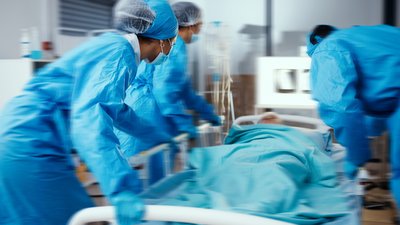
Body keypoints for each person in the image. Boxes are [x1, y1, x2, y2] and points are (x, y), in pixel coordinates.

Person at [0, 0, 178, 224]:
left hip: (24, 129)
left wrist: (153, 134)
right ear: (160, 40)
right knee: (72, 218)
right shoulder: (119, 53)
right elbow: (91, 117)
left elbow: (116, 110)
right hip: (31, 140)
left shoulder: (116, 48)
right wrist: (121, 188)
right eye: (173, 41)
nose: (172, 48)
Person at [116, 1, 220, 184]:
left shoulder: (171, 45)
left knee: (150, 177)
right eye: (201, 23)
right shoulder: (174, 46)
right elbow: (164, 92)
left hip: (140, 108)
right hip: (148, 113)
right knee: (152, 182)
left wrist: (207, 112)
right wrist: (185, 125)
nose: (201, 28)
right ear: (192, 25)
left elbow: (183, 89)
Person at [306, 24, 400, 213]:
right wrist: (362, 141)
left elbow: (341, 106)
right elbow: (382, 106)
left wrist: (356, 155)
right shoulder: (370, 35)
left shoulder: (327, 48)